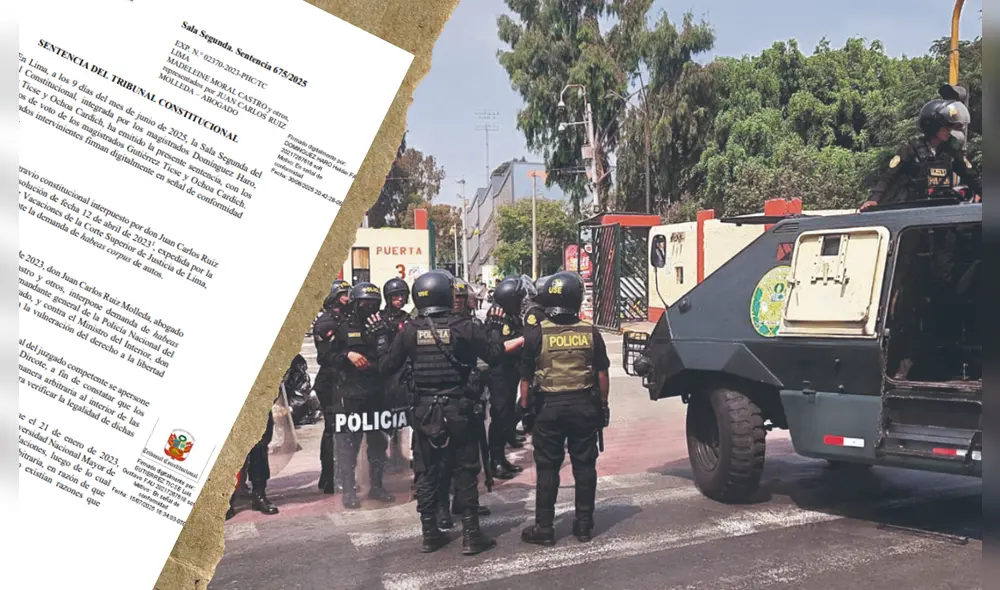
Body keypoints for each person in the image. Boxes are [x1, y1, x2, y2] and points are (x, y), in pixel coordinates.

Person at [371, 270, 512, 555]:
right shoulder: (464, 326)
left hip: (424, 412)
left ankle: (430, 533)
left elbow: (385, 367)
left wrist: (382, 340)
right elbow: (494, 355)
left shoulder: (409, 329)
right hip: (460, 409)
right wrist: (495, 328)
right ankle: (471, 535)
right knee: (465, 469)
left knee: (427, 471)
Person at [519, 271, 611, 545]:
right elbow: (602, 374)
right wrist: (603, 406)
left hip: (548, 409)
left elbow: (525, 381)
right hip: (584, 407)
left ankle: (544, 528)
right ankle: (584, 525)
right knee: (584, 466)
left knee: (548, 468)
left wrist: (526, 411)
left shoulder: (537, 333)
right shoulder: (591, 332)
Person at [330, 282, 395, 509]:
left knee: (378, 443)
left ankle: (377, 486)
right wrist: (348, 354)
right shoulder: (343, 327)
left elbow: (393, 359)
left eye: (373, 303)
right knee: (350, 446)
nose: (369, 307)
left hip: (377, 394)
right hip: (350, 396)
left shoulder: (383, 325)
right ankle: (349, 491)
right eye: (365, 303)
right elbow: (327, 358)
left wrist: (382, 339)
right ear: (356, 304)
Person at [860, 95, 980, 211]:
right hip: (914, 212)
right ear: (933, 125)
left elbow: (971, 176)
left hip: (943, 210)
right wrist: (874, 199)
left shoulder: (951, 152)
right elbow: (888, 177)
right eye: (946, 126)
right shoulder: (911, 149)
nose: (950, 130)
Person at [486, 277, 528, 480]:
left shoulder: (512, 315)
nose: (521, 302)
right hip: (499, 375)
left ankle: (501, 458)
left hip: (511, 373)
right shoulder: (498, 316)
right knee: (499, 418)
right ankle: (495, 461)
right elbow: (498, 348)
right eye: (518, 298)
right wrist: (524, 339)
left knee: (507, 417)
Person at [312, 279, 351, 494]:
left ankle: (344, 473)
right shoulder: (327, 322)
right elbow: (326, 356)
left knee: (347, 429)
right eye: (344, 294)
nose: (348, 298)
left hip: (347, 381)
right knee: (332, 429)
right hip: (330, 382)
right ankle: (328, 477)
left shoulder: (349, 319)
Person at [381, 277, 412, 475]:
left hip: (403, 373)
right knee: (385, 419)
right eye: (395, 296)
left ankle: (397, 453)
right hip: (385, 374)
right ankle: (382, 455)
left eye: (402, 296)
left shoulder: (406, 318)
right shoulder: (380, 318)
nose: (399, 299)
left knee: (402, 417)